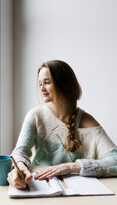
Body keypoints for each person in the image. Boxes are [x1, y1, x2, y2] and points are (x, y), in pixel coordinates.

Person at [7, 60, 117, 189]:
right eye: (40, 83)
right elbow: (20, 151)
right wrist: (19, 166)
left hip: (78, 191)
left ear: (64, 84)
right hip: (40, 185)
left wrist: (70, 167)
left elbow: (114, 160)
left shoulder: (88, 122)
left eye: (47, 82)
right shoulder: (35, 116)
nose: (42, 88)